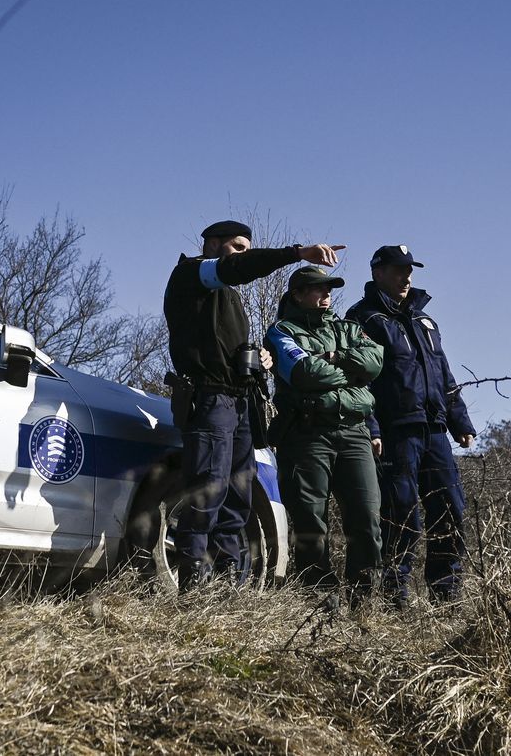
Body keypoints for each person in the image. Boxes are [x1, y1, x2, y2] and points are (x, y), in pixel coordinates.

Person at [163, 220, 344, 591]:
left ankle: (229, 583)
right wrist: (297, 253)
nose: (244, 255)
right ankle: (192, 585)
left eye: (248, 248)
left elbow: (224, 339)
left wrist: (257, 357)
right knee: (207, 489)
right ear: (213, 245)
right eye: (238, 246)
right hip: (209, 399)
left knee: (237, 493)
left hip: (240, 401)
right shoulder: (190, 274)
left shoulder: (228, 295)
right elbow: (237, 269)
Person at [345, 245, 478, 607]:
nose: (406, 277)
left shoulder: (426, 322)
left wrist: (459, 421)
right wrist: (371, 428)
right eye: (398, 270)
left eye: (409, 270)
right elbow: (359, 381)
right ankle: (394, 596)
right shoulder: (363, 320)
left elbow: (444, 375)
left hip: (435, 431)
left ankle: (446, 595)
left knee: (450, 511)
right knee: (401, 515)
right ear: (378, 273)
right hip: (395, 433)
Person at [264, 266, 384, 605]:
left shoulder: (349, 328)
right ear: (299, 293)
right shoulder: (280, 331)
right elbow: (302, 372)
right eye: (318, 288)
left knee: (366, 517)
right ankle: (319, 602)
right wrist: (350, 369)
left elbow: (375, 361)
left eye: (329, 288)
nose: (326, 294)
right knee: (310, 523)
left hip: (355, 431)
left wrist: (331, 357)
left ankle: (364, 601)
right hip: (306, 434)